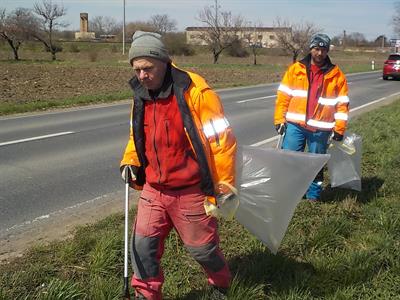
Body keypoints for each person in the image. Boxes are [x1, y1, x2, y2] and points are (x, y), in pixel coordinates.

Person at [120, 31, 237, 300]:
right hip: (154, 188)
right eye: (137, 70)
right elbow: (136, 135)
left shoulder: (195, 92)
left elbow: (221, 142)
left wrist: (224, 185)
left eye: (147, 68)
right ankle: (146, 293)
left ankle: (220, 284)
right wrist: (130, 160)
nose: (142, 76)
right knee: (142, 245)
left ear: (165, 62)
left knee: (203, 249)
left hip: (190, 190)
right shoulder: (141, 94)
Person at [274, 33, 349, 201]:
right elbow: (283, 96)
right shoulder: (295, 69)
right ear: (310, 49)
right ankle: (293, 194)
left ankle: (313, 197)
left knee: (315, 165)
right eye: (317, 49)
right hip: (295, 125)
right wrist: (279, 119)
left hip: (321, 129)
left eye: (323, 50)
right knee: (291, 160)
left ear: (327, 51)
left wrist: (339, 129)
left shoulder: (336, 75)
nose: (320, 53)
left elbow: (342, 104)